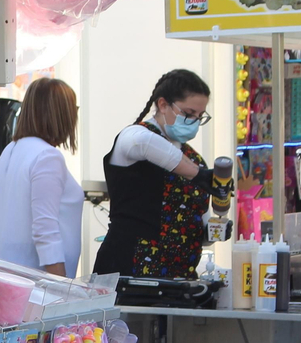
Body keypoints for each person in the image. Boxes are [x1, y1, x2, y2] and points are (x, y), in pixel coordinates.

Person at [93, 69, 217, 277]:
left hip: (177, 279)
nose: (194, 122)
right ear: (162, 105)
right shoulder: (133, 138)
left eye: (199, 116)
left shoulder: (193, 159)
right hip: (129, 270)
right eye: (188, 114)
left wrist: (212, 232)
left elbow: (199, 226)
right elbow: (145, 144)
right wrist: (197, 175)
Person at [0, 77, 83, 277]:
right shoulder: (47, 156)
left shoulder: (11, 150)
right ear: (63, 115)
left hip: (5, 277)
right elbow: (45, 230)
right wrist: (61, 287)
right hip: (34, 285)